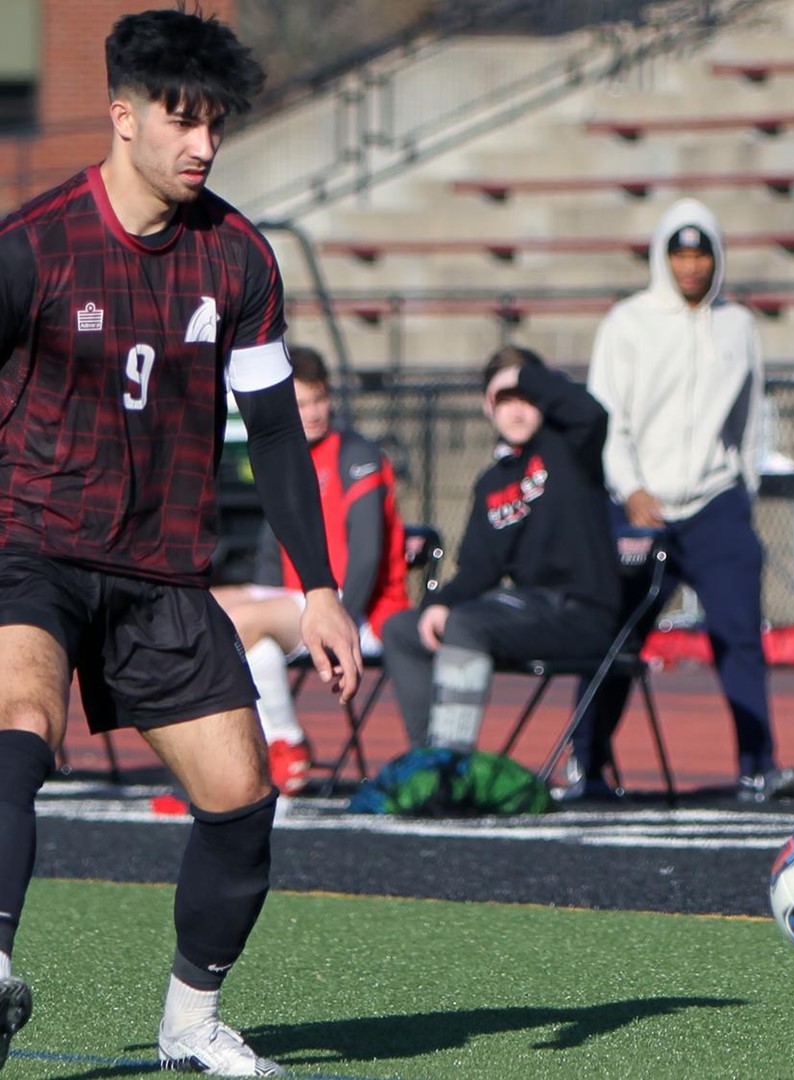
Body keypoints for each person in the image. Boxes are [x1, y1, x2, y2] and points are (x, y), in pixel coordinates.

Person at [0, 9, 363, 1075]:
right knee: (22, 716)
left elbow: (278, 430)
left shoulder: (240, 259)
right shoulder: (28, 251)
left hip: (160, 568)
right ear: (122, 117)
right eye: (182, 119)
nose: (203, 144)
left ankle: (189, 1025)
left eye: (216, 125)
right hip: (30, 543)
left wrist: (323, 585)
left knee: (243, 797)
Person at [581, 198, 794, 803]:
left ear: (716, 259)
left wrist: (741, 491)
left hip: (714, 502)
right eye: (678, 254)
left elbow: (750, 421)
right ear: (662, 257)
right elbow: (607, 420)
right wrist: (630, 489)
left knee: (739, 635)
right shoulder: (627, 322)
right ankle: (588, 765)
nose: (690, 267)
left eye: (700, 254)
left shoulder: (738, 325)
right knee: (615, 637)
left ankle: (758, 765)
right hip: (639, 503)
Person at [380, 347, 621, 755]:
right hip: (527, 606)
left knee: (468, 626)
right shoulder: (492, 483)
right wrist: (438, 603)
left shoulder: (568, 448)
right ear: (487, 407)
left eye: (526, 399)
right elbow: (479, 569)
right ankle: (428, 758)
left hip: (582, 612)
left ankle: (452, 763)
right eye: (504, 400)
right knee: (402, 629)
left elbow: (592, 414)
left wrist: (525, 377)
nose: (517, 411)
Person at [214, 345, 409, 795]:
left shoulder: (356, 453)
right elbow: (270, 552)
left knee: (237, 621)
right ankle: (270, 745)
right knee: (203, 609)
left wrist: (342, 620)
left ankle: (277, 744)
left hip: (349, 610)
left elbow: (365, 556)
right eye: (300, 403)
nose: (313, 412)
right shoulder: (285, 459)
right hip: (294, 603)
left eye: (318, 399)